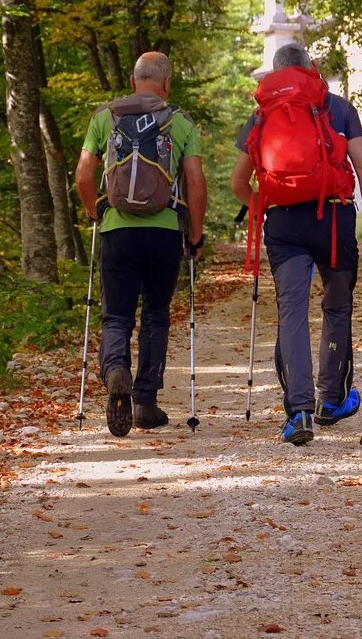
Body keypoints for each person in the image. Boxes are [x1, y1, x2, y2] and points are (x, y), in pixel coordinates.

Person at [230, 43, 362, 446]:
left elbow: (238, 184)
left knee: (292, 312)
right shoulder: (337, 107)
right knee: (336, 307)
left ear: (274, 74)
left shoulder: (261, 114)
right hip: (336, 220)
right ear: (313, 68)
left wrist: (264, 207)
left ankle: (299, 411)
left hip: (285, 224)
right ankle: (332, 401)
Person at [75, 52, 207, 438]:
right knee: (155, 315)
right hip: (164, 231)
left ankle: (116, 369)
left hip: (117, 230)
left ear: (134, 81)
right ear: (166, 83)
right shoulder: (179, 121)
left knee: (116, 315)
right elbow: (196, 183)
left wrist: (94, 211)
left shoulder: (105, 117)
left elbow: (84, 173)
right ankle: (145, 402)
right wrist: (195, 233)